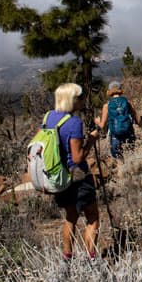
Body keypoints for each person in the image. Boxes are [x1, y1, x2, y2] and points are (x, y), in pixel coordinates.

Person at [48, 83, 101, 260]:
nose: (82, 100)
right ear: (72, 100)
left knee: (71, 217)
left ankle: (67, 257)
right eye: (79, 97)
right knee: (92, 218)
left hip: (59, 177)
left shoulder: (48, 118)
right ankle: (91, 258)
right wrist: (92, 140)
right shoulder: (74, 122)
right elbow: (78, 157)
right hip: (78, 177)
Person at [96, 80, 142, 160]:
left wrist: (97, 121)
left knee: (119, 160)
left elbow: (102, 125)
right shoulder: (127, 103)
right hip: (129, 133)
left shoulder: (107, 105)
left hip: (115, 135)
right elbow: (138, 119)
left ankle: (120, 172)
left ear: (109, 91)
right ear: (120, 90)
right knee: (131, 157)